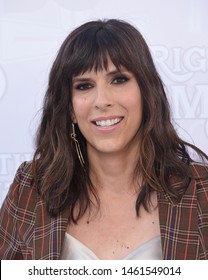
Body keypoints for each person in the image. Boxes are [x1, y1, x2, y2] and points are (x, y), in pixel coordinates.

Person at [0, 19, 208, 260]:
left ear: (146, 91)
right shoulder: (31, 189)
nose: (102, 100)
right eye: (84, 85)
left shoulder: (201, 192)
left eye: (118, 79)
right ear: (69, 108)